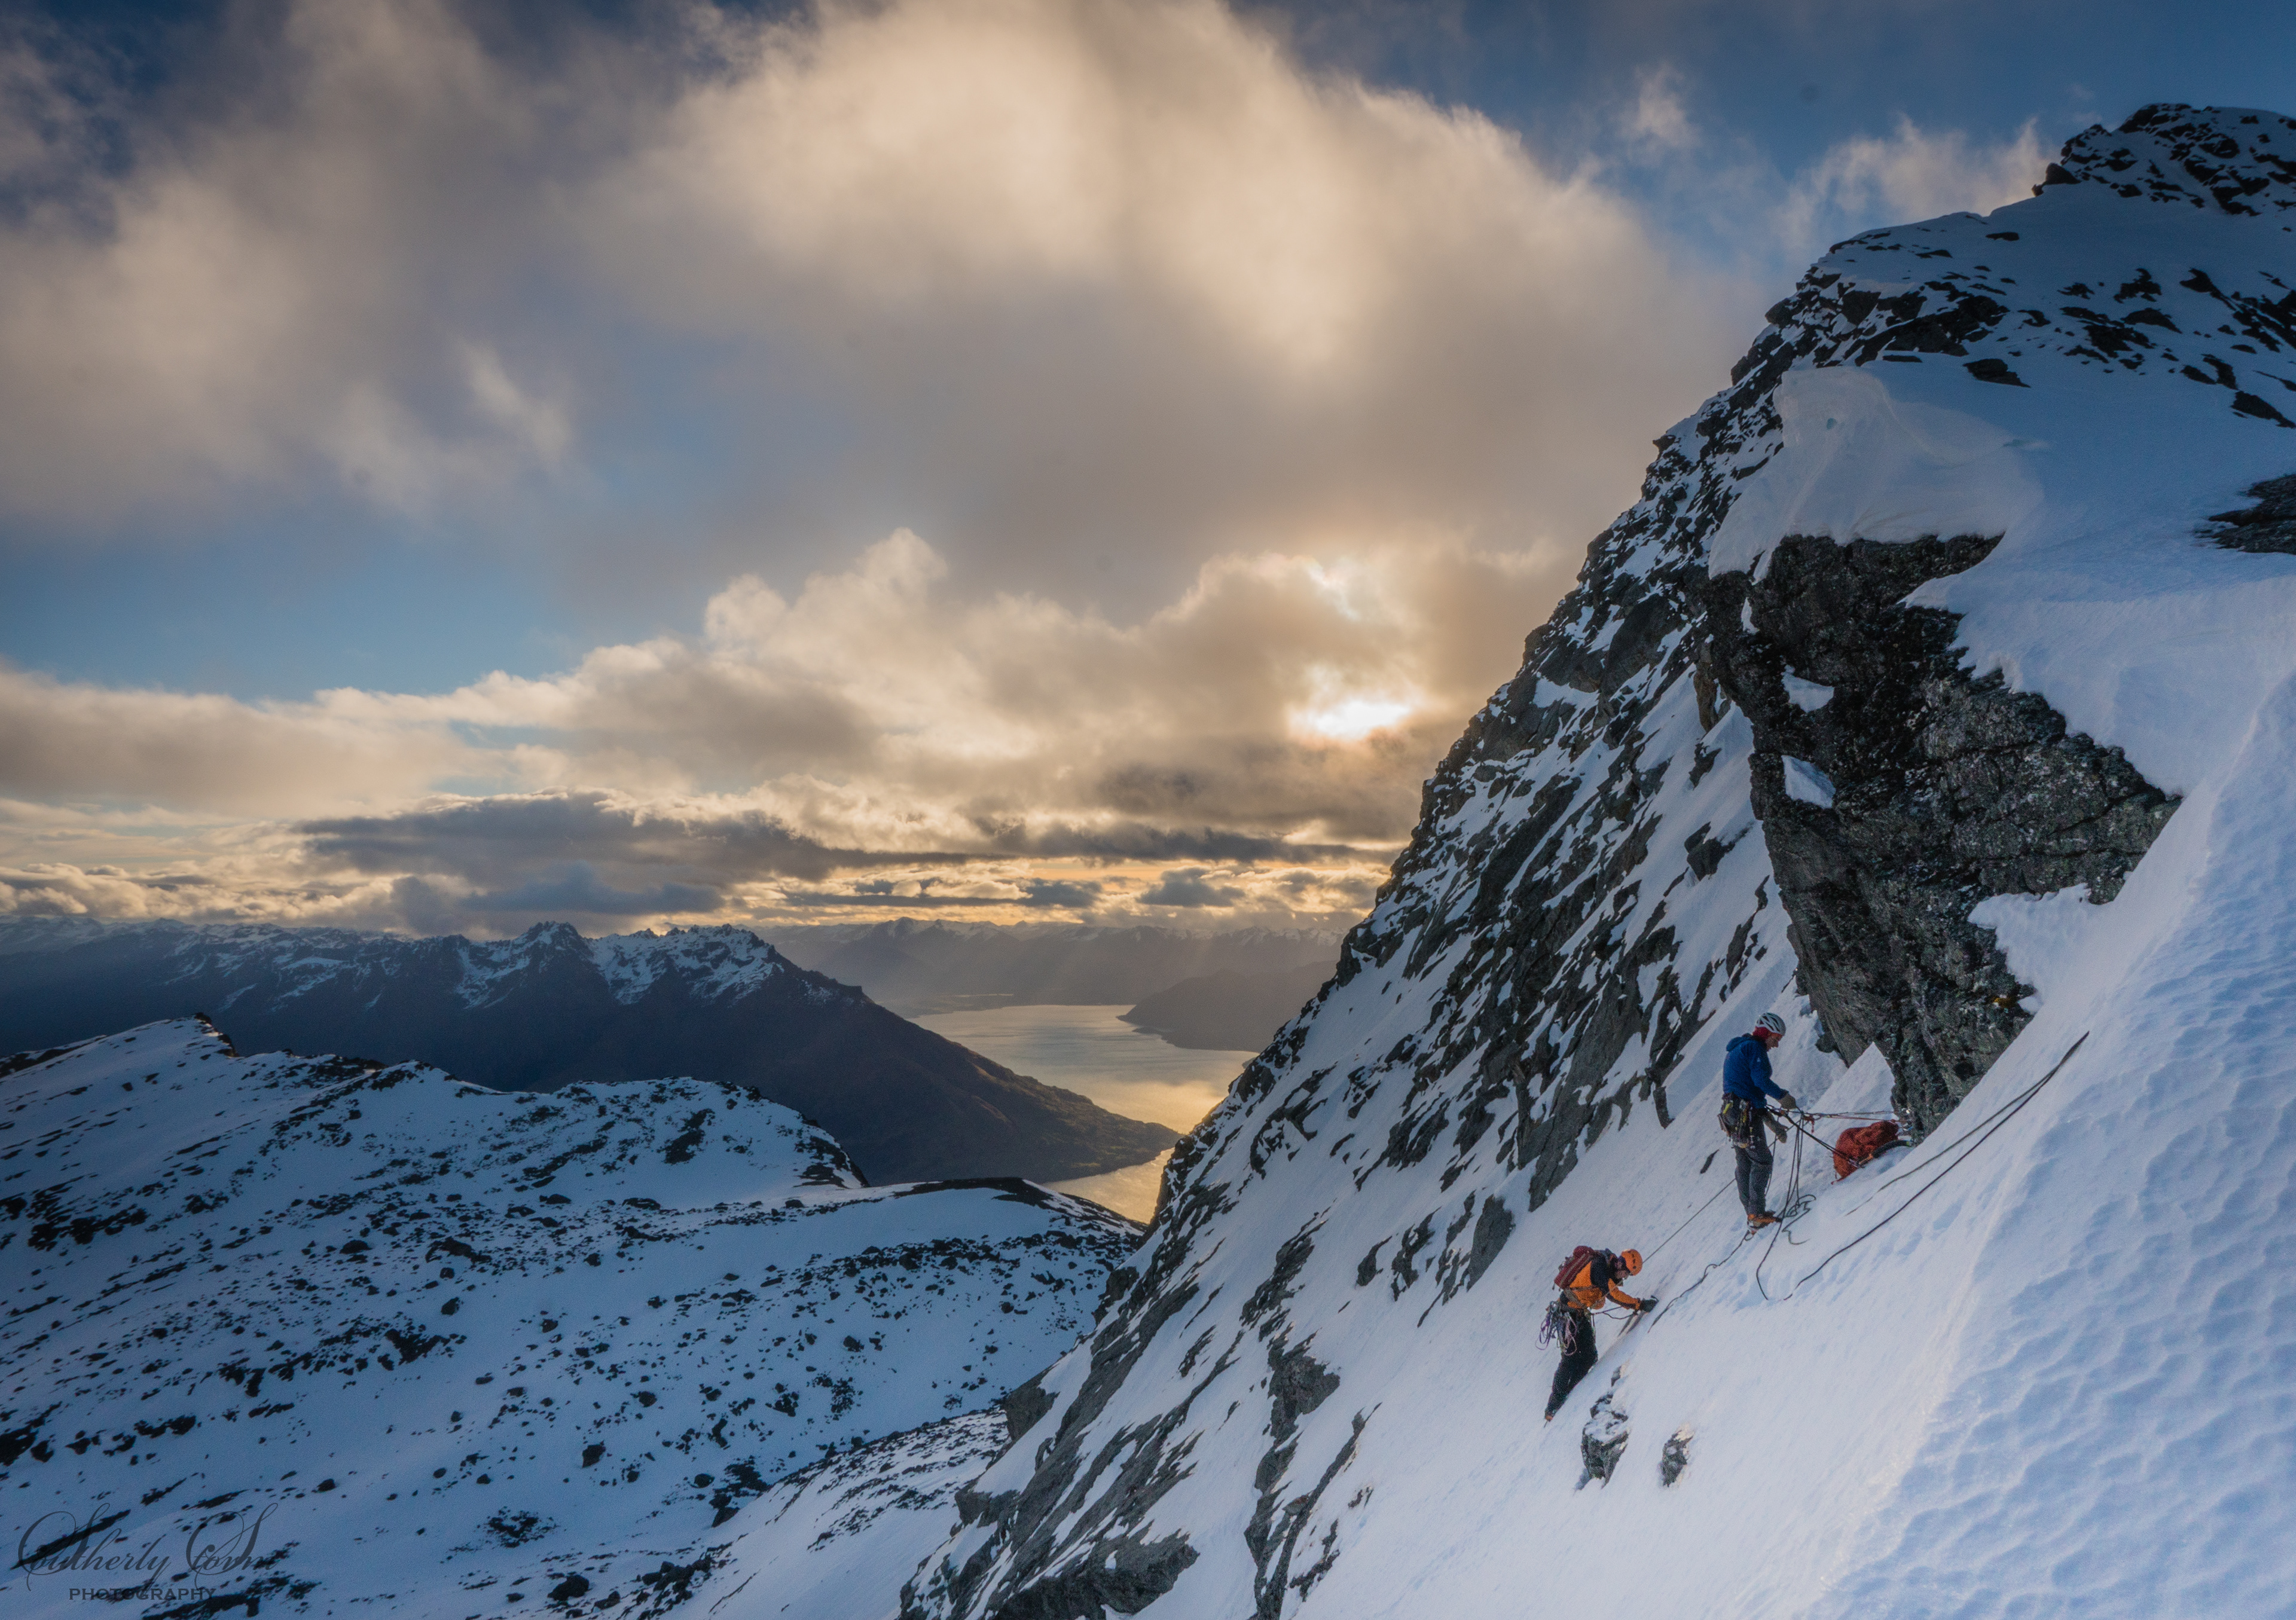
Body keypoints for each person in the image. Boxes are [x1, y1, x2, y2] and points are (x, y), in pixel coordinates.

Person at [1542, 1248, 1653, 1422]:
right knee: (1570, 1359)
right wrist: (1640, 1304)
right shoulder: (1600, 1267)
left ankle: (1571, 1393)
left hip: (1575, 1314)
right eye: (1625, 1270)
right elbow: (1614, 1296)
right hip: (1568, 1314)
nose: (1623, 1274)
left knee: (1589, 1357)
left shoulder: (1606, 1267)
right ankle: (1553, 1406)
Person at [1721, 1011, 1800, 1228]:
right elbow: (1761, 1082)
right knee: (1762, 1161)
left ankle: (1752, 1214)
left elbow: (1750, 1090)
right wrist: (1783, 1097)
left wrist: (1772, 1123)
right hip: (1744, 1113)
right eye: (1776, 1039)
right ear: (1767, 1033)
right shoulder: (1754, 1048)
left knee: (1745, 1161)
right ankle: (1756, 1214)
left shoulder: (1740, 1048)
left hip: (1733, 1112)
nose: (1776, 1045)